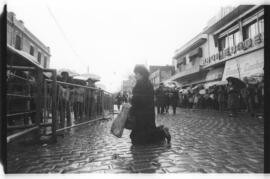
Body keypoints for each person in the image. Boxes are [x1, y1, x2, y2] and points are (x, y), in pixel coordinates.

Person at [129, 65, 171, 145]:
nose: (135, 75)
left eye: (136, 73)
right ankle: (162, 132)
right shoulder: (146, 83)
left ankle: (162, 132)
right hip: (146, 112)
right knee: (147, 132)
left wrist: (133, 99)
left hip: (142, 113)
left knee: (143, 136)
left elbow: (140, 98)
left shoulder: (142, 83)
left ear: (141, 74)